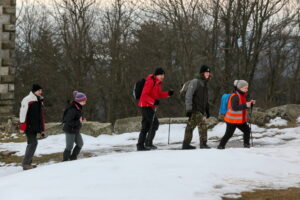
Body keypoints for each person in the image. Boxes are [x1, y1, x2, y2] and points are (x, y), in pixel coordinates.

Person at [137, 68, 174, 151]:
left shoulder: (157, 83)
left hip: (148, 105)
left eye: (163, 75)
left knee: (146, 126)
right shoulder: (150, 81)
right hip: (145, 105)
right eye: (160, 75)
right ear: (156, 75)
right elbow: (144, 95)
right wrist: (153, 102)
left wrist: (168, 93)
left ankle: (140, 145)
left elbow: (158, 94)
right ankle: (148, 143)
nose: (162, 76)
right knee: (155, 124)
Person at [217, 80, 256, 149]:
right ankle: (220, 146)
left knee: (247, 130)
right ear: (240, 88)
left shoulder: (242, 95)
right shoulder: (235, 96)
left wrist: (250, 103)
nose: (247, 89)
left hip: (239, 120)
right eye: (245, 88)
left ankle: (246, 145)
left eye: (247, 88)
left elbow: (242, 104)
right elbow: (234, 107)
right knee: (229, 134)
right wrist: (246, 105)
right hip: (232, 120)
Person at [182, 65, 211, 149]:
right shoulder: (195, 82)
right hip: (195, 109)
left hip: (200, 110)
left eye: (208, 72)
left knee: (190, 126)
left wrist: (207, 110)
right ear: (202, 73)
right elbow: (188, 95)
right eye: (206, 72)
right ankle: (203, 144)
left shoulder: (205, 84)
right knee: (203, 125)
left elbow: (206, 99)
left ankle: (186, 144)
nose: (208, 74)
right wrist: (188, 109)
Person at [19, 84, 45, 170]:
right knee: (33, 143)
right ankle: (26, 164)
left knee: (31, 143)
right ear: (34, 91)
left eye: (41, 90)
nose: (41, 92)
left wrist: (42, 129)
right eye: (39, 90)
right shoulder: (27, 100)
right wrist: (22, 127)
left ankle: (28, 163)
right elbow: (22, 114)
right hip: (29, 126)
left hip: (35, 127)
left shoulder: (39, 100)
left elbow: (41, 116)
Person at [62, 91, 87, 161]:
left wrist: (82, 119)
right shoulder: (72, 109)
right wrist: (79, 121)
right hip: (69, 130)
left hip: (76, 129)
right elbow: (68, 121)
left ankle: (73, 157)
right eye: (84, 100)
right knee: (69, 147)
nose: (85, 102)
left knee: (80, 144)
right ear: (79, 101)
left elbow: (77, 117)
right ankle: (65, 160)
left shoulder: (79, 107)